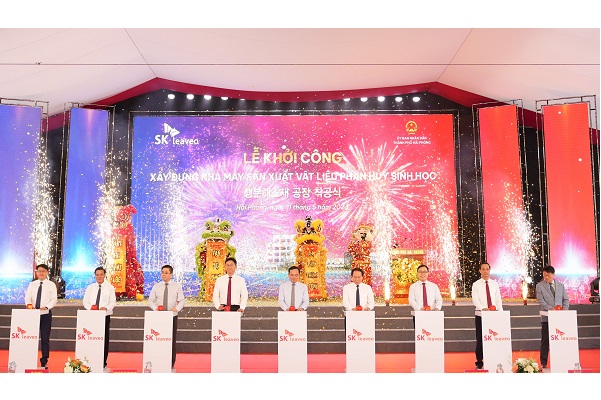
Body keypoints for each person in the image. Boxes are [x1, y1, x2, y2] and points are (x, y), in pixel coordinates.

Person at [148, 265, 186, 369]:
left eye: (166, 273)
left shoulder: (176, 286)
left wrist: (177, 308)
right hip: (159, 317)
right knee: (159, 338)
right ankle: (159, 361)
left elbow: (182, 300)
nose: (163, 274)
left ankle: (171, 363)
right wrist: (155, 308)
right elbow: (150, 300)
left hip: (172, 316)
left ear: (171, 274)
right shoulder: (156, 287)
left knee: (171, 340)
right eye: (162, 272)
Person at [24, 264, 58, 369]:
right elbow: (27, 297)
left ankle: (44, 361)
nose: (41, 273)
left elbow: (54, 299)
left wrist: (47, 307)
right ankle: (29, 359)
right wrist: (29, 305)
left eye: (43, 271)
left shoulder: (51, 285)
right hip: (32, 314)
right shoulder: (32, 284)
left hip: (45, 314)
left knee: (45, 338)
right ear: (37, 272)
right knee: (30, 337)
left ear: (47, 272)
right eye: (39, 271)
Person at [536, 265, 569, 369]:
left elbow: (565, 299)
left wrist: (565, 308)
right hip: (547, 317)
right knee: (545, 340)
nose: (546, 277)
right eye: (544, 275)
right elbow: (540, 300)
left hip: (560, 317)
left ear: (553, 275)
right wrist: (550, 308)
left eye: (548, 275)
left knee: (560, 339)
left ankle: (561, 360)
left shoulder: (561, 285)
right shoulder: (540, 286)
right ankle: (543, 362)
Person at [82, 267, 116, 369]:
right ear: (95, 275)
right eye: (97, 274)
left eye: (101, 274)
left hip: (104, 316)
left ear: (105, 275)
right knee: (92, 338)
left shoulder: (110, 287)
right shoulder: (90, 288)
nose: (99, 276)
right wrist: (91, 308)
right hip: (92, 317)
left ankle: (103, 362)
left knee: (104, 340)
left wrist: (106, 308)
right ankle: (91, 360)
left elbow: (113, 302)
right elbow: (85, 302)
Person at [471, 262, 503, 370]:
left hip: (494, 315)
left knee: (494, 338)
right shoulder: (476, 284)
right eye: (483, 269)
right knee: (480, 338)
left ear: (490, 270)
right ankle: (479, 362)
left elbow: (498, 299)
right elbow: (475, 299)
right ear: (480, 271)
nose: (485, 271)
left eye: (487, 269)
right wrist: (482, 308)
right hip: (481, 315)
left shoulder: (494, 284)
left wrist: (500, 312)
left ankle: (493, 359)